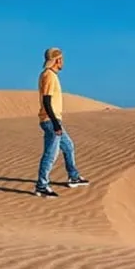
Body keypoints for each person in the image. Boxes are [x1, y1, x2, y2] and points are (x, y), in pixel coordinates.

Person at [35, 47, 89, 197]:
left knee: (68, 146)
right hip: (50, 120)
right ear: (57, 60)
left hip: (53, 120)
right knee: (50, 154)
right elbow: (47, 101)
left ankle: (73, 176)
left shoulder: (49, 75)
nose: (63, 62)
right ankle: (41, 185)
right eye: (62, 59)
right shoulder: (49, 76)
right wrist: (55, 123)